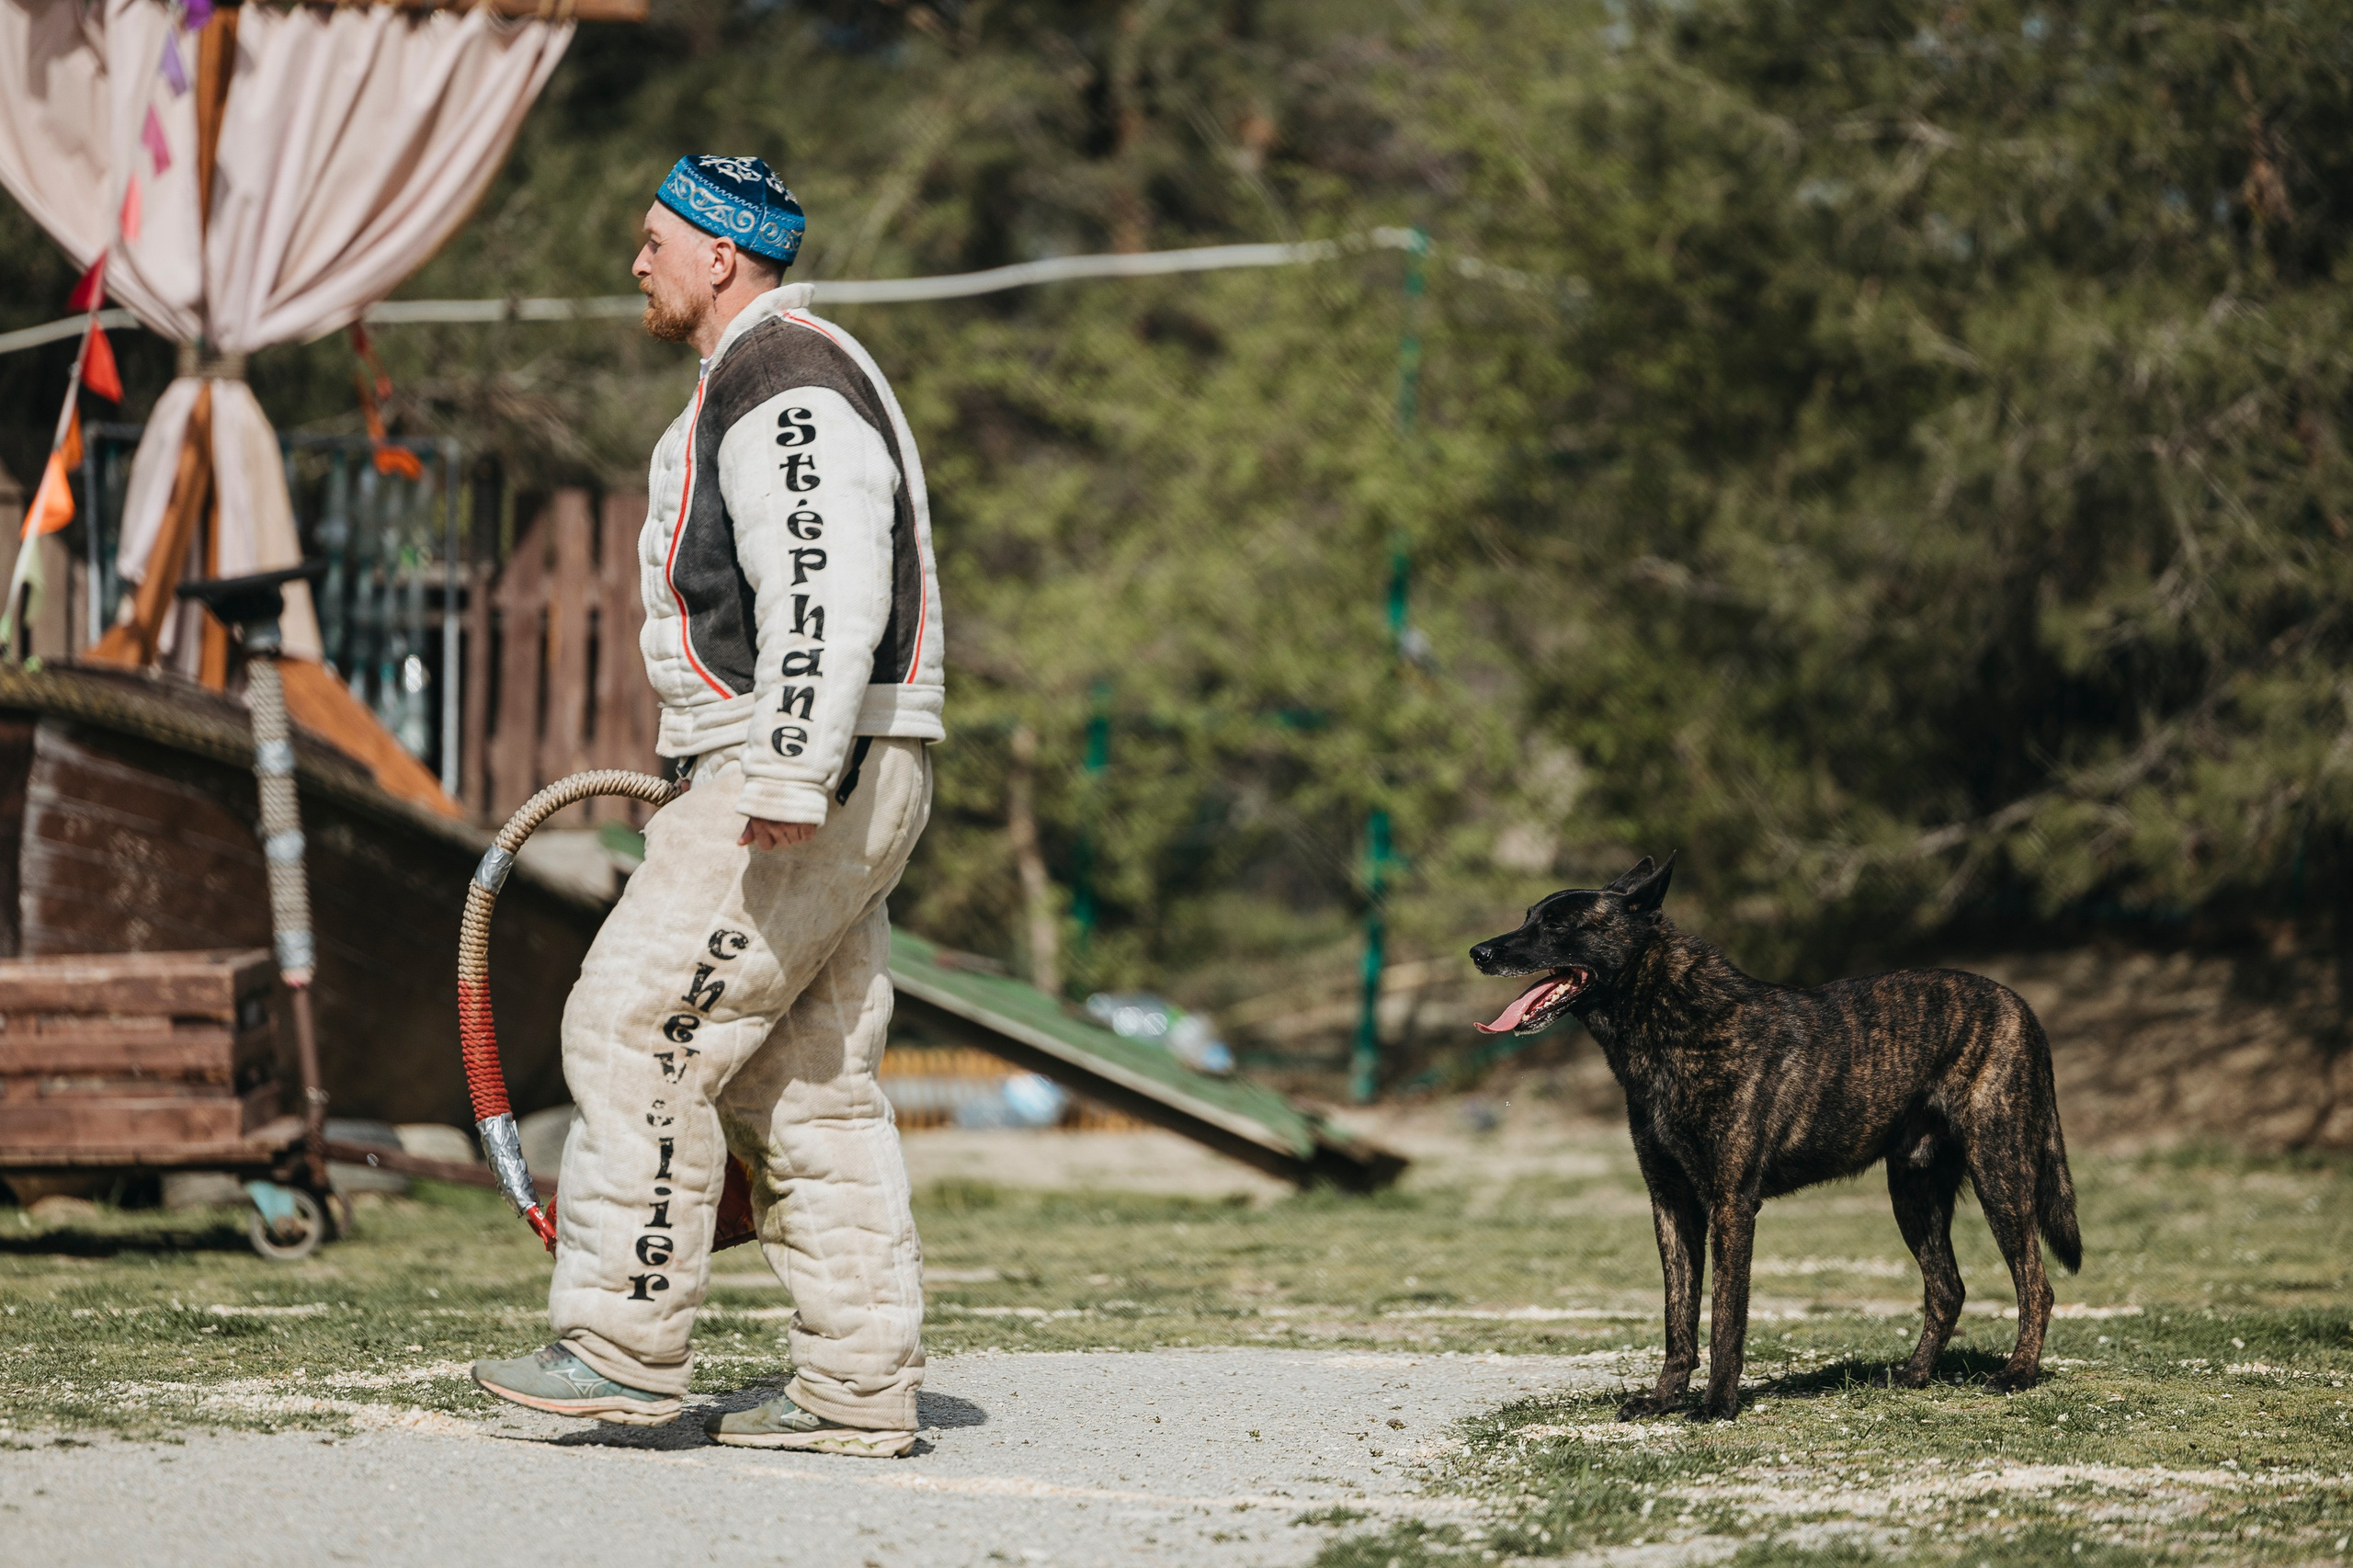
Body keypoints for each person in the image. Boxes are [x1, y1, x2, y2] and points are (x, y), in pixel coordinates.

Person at [471, 155, 946, 1458]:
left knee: (635, 1032)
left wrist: (784, 769)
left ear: (721, 255)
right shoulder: (767, 377)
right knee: (808, 1083)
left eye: (653, 242)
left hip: (797, 770)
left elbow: (825, 576)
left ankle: (623, 1352)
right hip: (842, 760)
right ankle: (857, 1387)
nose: (637, 263)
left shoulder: (783, 377)